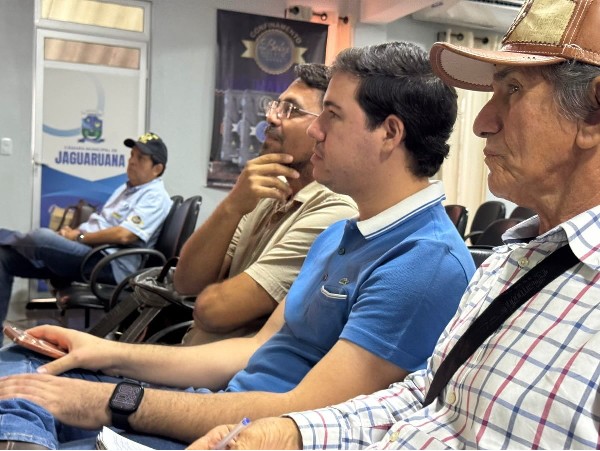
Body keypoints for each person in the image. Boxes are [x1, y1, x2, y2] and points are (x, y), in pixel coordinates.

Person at [0, 41, 475, 450]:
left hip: (238, 434)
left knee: (24, 405)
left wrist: (114, 399)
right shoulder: (341, 234)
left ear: (389, 133)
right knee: (22, 369)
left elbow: (300, 412)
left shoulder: (425, 262)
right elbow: (253, 350)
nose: (315, 129)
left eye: (332, 115)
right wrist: (102, 352)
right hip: (219, 405)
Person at [192, 1, 600, 449]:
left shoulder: (434, 260)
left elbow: (214, 310)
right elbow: (426, 398)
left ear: (593, 116)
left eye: (514, 90)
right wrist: (287, 434)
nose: (482, 123)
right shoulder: (505, 265)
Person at [173, 64, 357, 345]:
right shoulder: (270, 191)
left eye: (291, 110)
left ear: (323, 128)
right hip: (194, 353)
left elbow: (215, 311)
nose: (270, 117)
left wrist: (218, 288)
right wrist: (232, 205)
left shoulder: (335, 210)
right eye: (276, 106)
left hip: (234, 370)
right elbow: (187, 282)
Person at [0, 132, 172, 325]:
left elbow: (125, 235)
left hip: (108, 263)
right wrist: (70, 235)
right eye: (132, 155)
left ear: (157, 168)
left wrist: (78, 237)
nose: (132, 161)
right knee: (4, 258)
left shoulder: (155, 196)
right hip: (90, 252)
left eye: (140, 158)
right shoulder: (126, 189)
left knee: (41, 238)